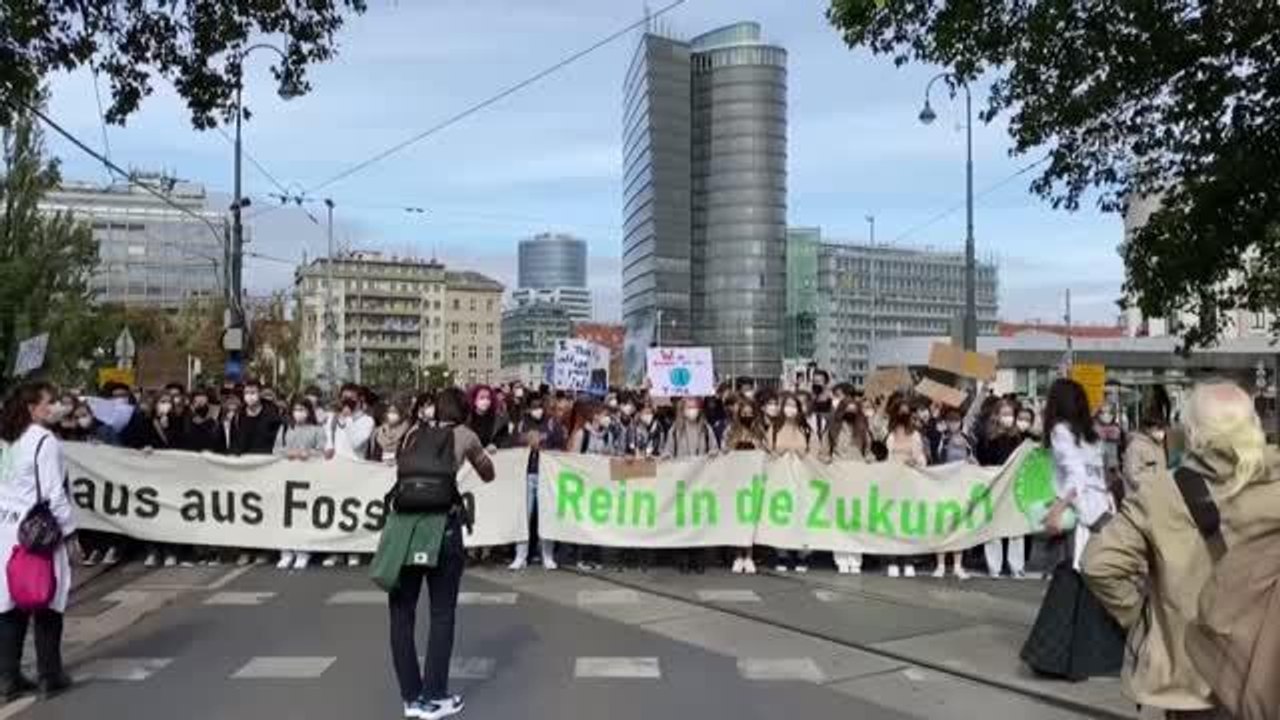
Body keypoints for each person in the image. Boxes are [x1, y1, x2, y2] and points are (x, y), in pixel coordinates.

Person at [1083, 380, 1280, 719]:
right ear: (1255, 424)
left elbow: (1099, 564)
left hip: (1190, 677)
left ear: (1192, 432)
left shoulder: (1160, 492)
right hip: (1267, 673)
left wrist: (1142, 619)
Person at [373, 388, 495, 720]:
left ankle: (411, 697)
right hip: (443, 528)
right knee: (441, 614)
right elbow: (488, 473)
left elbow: (391, 455)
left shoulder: (413, 431)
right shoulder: (465, 435)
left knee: (401, 614)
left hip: (404, 528)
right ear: (465, 410)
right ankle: (435, 695)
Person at [1019, 378, 1123, 682]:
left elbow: (1076, 476)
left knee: (1071, 580)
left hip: (1080, 515)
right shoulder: (1092, 435)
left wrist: (1058, 507)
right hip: (1102, 511)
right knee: (1089, 582)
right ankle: (1096, 656)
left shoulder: (1061, 431)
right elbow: (1099, 476)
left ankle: (1057, 658)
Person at [0, 383, 78, 702]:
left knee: (9, 602)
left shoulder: (6, 438)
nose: (55, 406)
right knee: (47, 596)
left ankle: (7, 676)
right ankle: (49, 674)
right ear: (32, 408)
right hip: (37, 533)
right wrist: (70, 533)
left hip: (5, 528)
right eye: (50, 401)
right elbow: (54, 493)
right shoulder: (43, 440)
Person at [508, 394, 563, 571]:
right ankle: (520, 556)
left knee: (547, 515)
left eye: (540, 406)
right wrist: (526, 443)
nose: (537, 410)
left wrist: (542, 447)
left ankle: (548, 555)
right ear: (528, 408)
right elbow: (512, 446)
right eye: (534, 406)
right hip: (526, 475)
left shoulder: (552, 424)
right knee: (524, 516)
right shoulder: (521, 424)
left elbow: (560, 448)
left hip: (547, 475)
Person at [323, 384, 375, 567]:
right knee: (335, 511)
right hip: (335, 471)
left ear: (360, 400)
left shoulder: (367, 421)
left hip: (356, 471)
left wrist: (349, 419)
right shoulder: (332, 418)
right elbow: (328, 441)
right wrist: (328, 448)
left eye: (351, 398)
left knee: (352, 512)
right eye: (344, 397)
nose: (347, 401)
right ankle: (335, 552)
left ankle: (354, 551)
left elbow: (356, 442)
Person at [273, 398, 327, 570]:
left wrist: (308, 453)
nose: (299, 413)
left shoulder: (317, 430)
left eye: (302, 409)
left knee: (303, 516)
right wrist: (288, 453)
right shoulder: (285, 428)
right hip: (286, 478)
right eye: (296, 409)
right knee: (285, 516)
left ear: (309, 411)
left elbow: (322, 452)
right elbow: (276, 450)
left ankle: (303, 552)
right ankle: (286, 552)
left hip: (308, 479)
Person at [978, 398, 1029, 579]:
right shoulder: (988, 438)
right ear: (997, 415)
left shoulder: (1018, 437)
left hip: (1015, 485)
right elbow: (983, 461)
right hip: (994, 485)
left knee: (1016, 527)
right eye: (1005, 414)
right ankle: (994, 566)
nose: (1009, 418)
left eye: (1011, 414)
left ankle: (1016, 566)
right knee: (994, 527)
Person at [823, 399, 872, 575]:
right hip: (838, 478)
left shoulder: (863, 429)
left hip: (858, 479)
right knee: (840, 519)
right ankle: (841, 558)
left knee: (856, 519)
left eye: (854, 410)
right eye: (847, 410)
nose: (851, 413)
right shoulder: (832, 429)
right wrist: (828, 461)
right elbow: (824, 452)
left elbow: (868, 452)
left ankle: (856, 558)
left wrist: (870, 460)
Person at [765, 393, 812, 573]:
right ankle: (782, 553)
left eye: (794, 405)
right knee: (781, 515)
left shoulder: (805, 429)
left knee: (801, 516)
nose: (790, 409)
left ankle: (802, 554)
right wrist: (779, 454)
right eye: (787, 405)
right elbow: (768, 453)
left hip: (802, 480)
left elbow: (814, 454)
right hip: (780, 481)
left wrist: (803, 455)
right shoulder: (774, 429)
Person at [885, 393, 927, 578]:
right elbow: (885, 458)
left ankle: (908, 560)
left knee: (908, 522)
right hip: (893, 484)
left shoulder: (915, 435)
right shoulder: (890, 435)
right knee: (893, 522)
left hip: (910, 483)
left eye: (906, 411)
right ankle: (893, 560)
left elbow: (921, 458)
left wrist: (915, 461)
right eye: (900, 411)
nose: (903, 415)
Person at [931, 405, 974, 580]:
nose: (953, 424)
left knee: (959, 526)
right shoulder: (942, 439)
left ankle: (957, 566)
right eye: (950, 421)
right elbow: (935, 458)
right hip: (943, 486)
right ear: (946, 423)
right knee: (942, 526)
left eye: (956, 421)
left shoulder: (968, 440)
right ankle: (940, 565)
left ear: (961, 422)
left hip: (962, 488)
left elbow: (974, 460)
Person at [723, 399, 764, 574]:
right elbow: (724, 451)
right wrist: (735, 446)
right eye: (744, 413)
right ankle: (738, 555)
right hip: (736, 479)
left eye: (750, 413)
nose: (747, 416)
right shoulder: (730, 431)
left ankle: (749, 555)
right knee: (737, 517)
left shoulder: (759, 431)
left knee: (751, 518)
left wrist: (755, 445)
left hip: (754, 479)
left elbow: (765, 451)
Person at [1122, 386, 1170, 496]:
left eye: (1163, 428)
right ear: (1147, 428)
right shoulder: (1135, 447)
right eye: (1158, 428)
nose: (1161, 431)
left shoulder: (1158, 446)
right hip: (1141, 498)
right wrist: (1151, 488)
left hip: (1155, 496)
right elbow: (1133, 475)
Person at [233, 380, 280, 456]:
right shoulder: (238, 414)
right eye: (246, 393)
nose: (249, 396)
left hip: (264, 459)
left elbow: (277, 441)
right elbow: (235, 441)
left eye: (253, 393)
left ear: (260, 393)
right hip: (243, 459)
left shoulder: (272, 415)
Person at [466, 386, 508, 451]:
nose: (485, 401)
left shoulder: (498, 418)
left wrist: (495, 444)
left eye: (488, 398)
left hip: (492, 454)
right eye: (482, 398)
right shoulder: (466, 418)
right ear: (474, 399)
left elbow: (503, 434)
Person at [182, 388, 224, 454]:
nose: (200, 403)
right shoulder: (187, 413)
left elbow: (215, 431)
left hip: (209, 449)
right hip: (190, 449)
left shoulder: (214, 412)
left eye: (203, 400)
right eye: (197, 401)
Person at [371, 400, 410, 464]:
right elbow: (373, 455)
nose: (391, 415)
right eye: (389, 411)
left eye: (395, 412)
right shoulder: (379, 432)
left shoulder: (407, 433)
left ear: (401, 414)